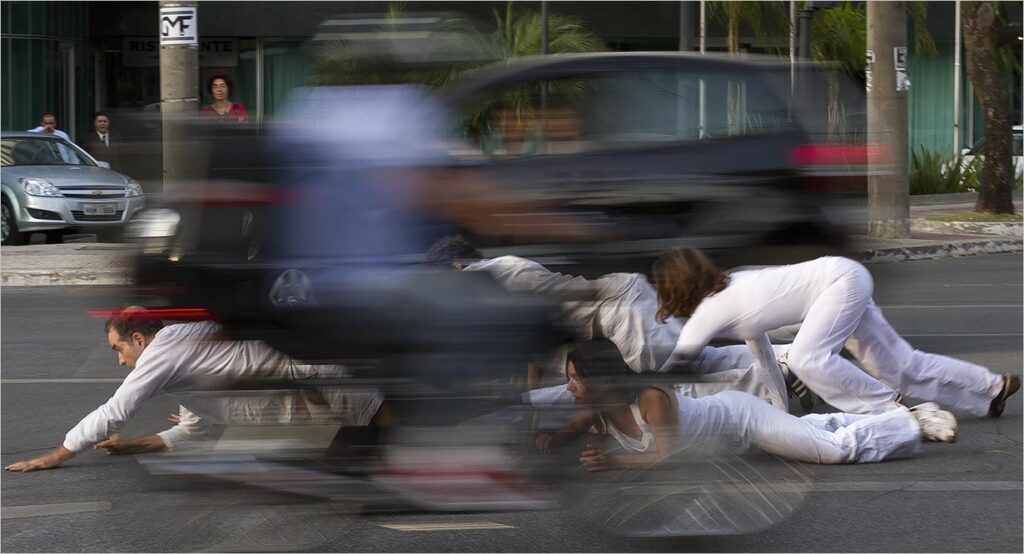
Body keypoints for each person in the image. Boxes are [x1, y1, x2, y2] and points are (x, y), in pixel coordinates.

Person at [425, 235, 797, 412]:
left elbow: (535, 342)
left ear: (459, 268)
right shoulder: (491, 286)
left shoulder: (501, 275)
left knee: (672, 389)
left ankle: (775, 375)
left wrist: (522, 398)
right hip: (618, 316)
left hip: (621, 316)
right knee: (690, 367)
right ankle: (783, 362)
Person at [3, 308, 386, 472]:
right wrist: (131, 444)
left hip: (310, 367)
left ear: (138, 339)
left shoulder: (162, 352)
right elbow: (192, 430)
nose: (120, 361)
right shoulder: (182, 366)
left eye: (118, 349)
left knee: (389, 426)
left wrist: (54, 456)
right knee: (363, 451)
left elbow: (113, 412)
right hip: (303, 391)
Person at [652, 247, 1021, 418]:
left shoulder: (710, 311)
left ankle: (886, 407)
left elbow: (675, 365)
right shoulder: (730, 287)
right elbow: (762, 356)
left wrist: (631, 391)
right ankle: (991, 388)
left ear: (674, 289)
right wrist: (781, 413)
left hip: (839, 282)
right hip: (843, 276)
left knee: (805, 358)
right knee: (898, 364)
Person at [537, 339, 957, 471]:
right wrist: (552, 440)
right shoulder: (597, 410)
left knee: (833, 452)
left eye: (579, 377)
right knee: (813, 430)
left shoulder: (650, 399)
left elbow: (666, 458)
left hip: (742, 419)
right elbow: (575, 427)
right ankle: (899, 416)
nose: (571, 385)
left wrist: (612, 462)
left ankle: (907, 423)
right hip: (735, 438)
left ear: (603, 379)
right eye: (570, 377)